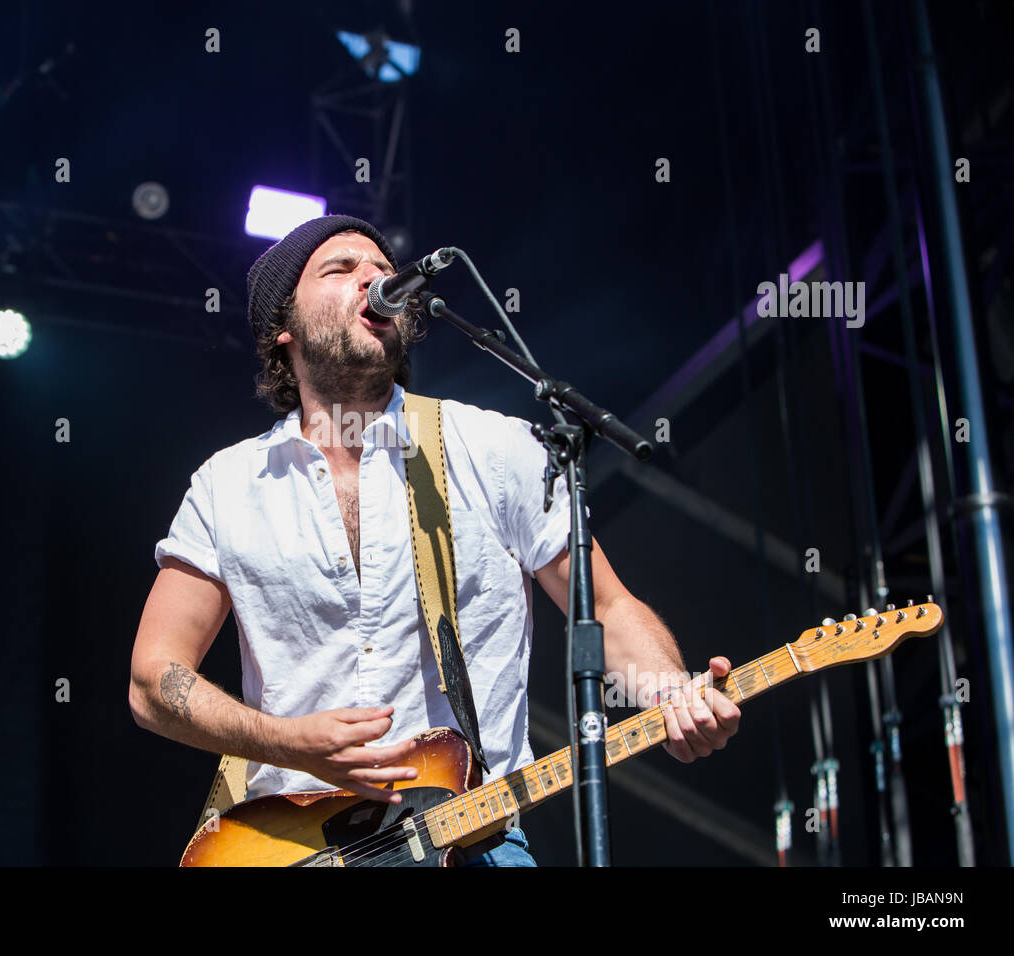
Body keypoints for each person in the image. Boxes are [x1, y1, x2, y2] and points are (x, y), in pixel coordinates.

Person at [129, 215, 740, 866]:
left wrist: (671, 691)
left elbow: (609, 609)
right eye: (340, 269)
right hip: (293, 849)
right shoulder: (229, 484)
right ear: (283, 328)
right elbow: (153, 680)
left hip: (474, 842)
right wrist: (286, 743)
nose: (374, 278)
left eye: (382, 270)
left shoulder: (496, 450)